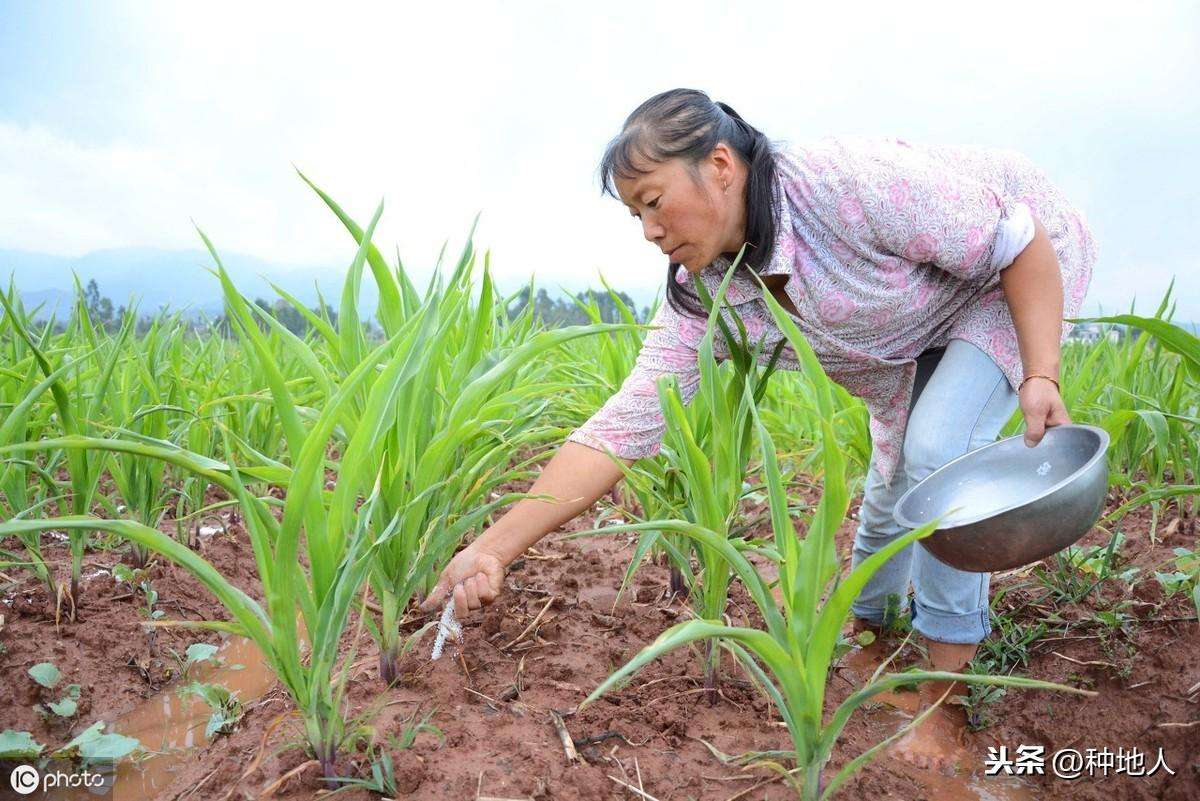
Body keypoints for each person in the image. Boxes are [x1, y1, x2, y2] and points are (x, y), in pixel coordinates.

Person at [419, 88, 1096, 773]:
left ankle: (942, 696)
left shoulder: (847, 187)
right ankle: (870, 618)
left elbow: (1020, 242)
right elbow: (623, 426)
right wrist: (494, 548)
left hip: (1007, 277)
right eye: (635, 215)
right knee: (897, 469)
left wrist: (1042, 371)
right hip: (913, 329)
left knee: (937, 447)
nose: (649, 230)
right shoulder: (704, 292)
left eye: (654, 202)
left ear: (719, 165)